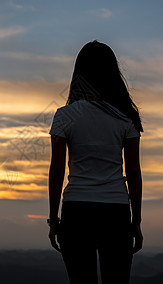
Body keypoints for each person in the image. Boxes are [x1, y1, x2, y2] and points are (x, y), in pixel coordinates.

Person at [48, 40, 143, 284]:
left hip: (76, 212)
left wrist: (53, 220)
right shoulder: (126, 117)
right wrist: (136, 221)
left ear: (78, 73)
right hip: (116, 212)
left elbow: (57, 171)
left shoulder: (64, 116)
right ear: (113, 73)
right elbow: (133, 172)